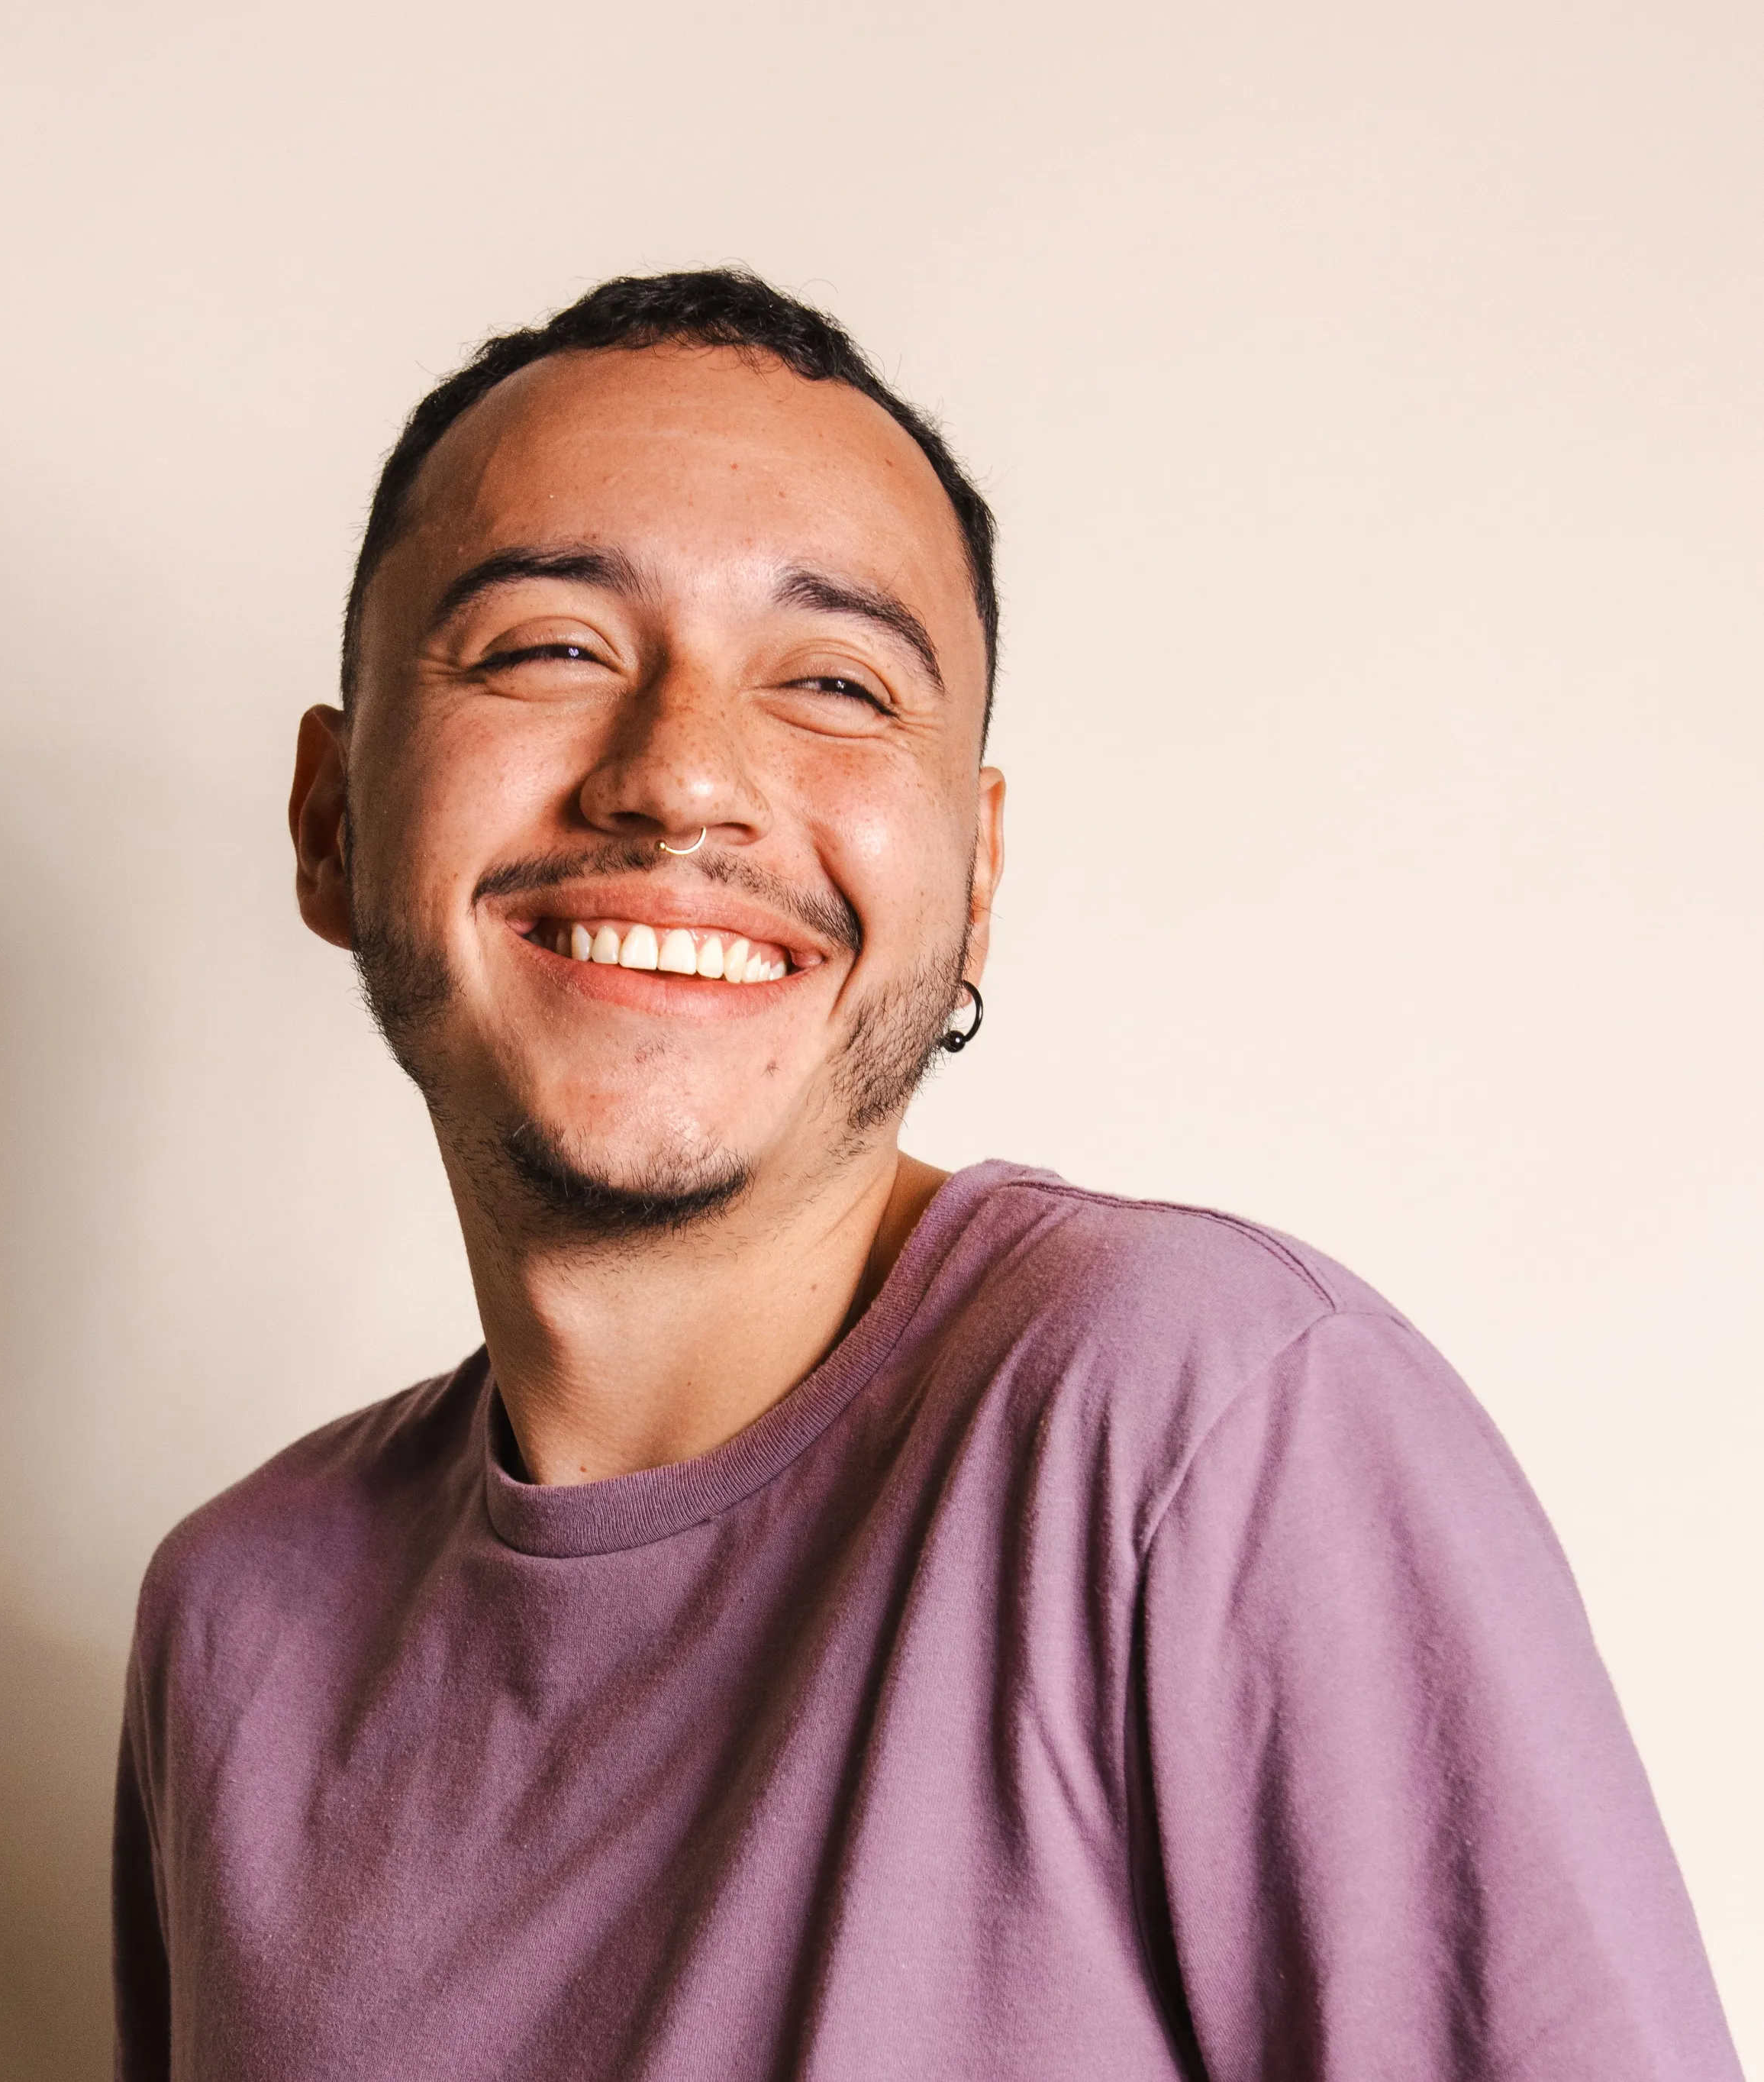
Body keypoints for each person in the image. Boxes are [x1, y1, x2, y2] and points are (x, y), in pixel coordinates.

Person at [112, 270, 1740, 2081]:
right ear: (332, 817)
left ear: (973, 883)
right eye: (550, 648)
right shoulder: (235, 1624)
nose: (681, 780)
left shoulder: (1209, 1425)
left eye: (835, 683)